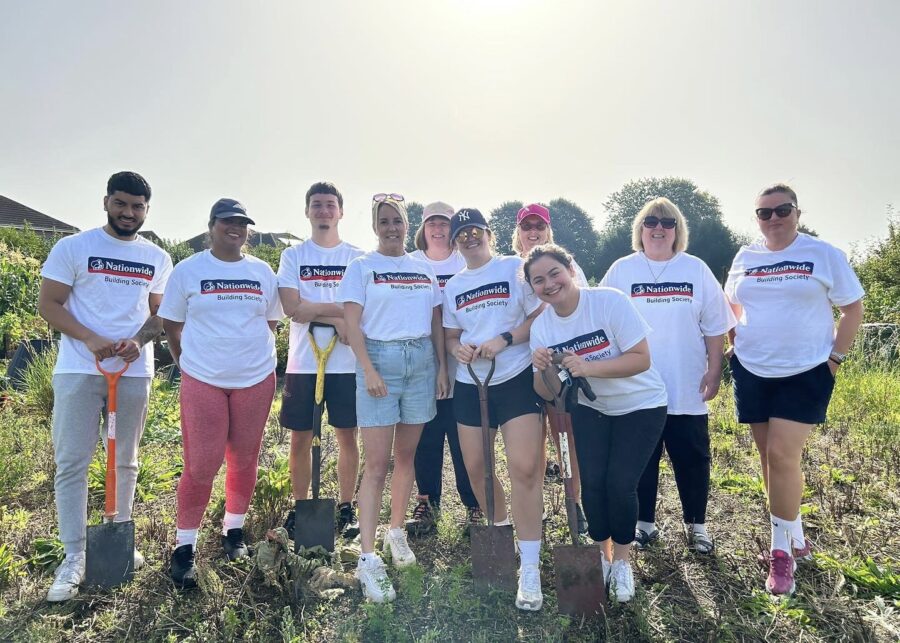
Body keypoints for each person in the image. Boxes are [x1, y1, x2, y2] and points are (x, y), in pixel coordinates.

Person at [38, 171, 173, 602]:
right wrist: (90, 339)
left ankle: (118, 537)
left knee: (126, 461)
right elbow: (48, 304)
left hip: (132, 373)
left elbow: (160, 316)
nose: (128, 213)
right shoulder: (74, 247)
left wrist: (139, 340)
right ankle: (75, 554)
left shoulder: (157, 257)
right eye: (121, 204)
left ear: (146, 210)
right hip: (79, 369)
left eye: (137, 206)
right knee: (73, 462)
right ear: (106, 202)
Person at [725, 184, 864, 595]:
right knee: (769, 458)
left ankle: (780, 552)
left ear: (797, 212)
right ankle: (794, 529)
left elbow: (852, 307)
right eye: (764, 213)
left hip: (805, 370)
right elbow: (729, 303)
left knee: (784, 454)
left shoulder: (823, 254)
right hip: (752, 368)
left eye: (781, 210)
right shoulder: (745, 256)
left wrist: (835, 358)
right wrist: (735, 343)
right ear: (756, 219)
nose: (773, 219)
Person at [527, 244, 667, 603]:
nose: (549, 284)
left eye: (554, 273)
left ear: (570, 269)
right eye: (538, 280)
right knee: (592, 484)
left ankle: (622, 561)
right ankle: (601, 556)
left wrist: (588, 367)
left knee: (620, 483)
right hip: (591, 409)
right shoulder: (542, 326)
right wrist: (543, 367)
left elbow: (641, 359)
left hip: (641, 405)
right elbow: (545, 391)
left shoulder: (609, 301)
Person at [159, 198, 283, 588]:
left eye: (243, 223)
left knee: (245, 458)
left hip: (255, 378)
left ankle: (234, 530)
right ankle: (185, 546)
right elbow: (171, 325)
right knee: (201, 465)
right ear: (211, 226)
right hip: (204, 379)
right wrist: (190, 365)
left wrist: (246, 358)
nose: (236, 228)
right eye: (228, 221)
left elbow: (271, 323)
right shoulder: (188, 270)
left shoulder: (262, 271)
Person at [601, 197, 735, 554]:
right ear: (639, 229)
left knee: (691, 457)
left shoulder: (695, 270)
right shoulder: (621, 271)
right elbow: (603, 322)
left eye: (667, 222)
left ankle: (697, 526)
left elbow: (715, 326)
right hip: (637, 388)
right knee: (641, 460)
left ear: (678, 230)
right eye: (650, 221)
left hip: (685, 384)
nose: (658, 227)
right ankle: (645, 525)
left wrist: (714, 367)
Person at [336, 193, 448, 603]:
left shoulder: (422, 266)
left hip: (420, 360)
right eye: (383, 221)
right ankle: (368, 557)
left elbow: (436, 319)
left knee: (407, 458)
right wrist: (368, 369)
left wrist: (440, 366)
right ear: (374, 226)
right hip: (380, 360)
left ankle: (396, 533)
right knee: (377, 464)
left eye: (397, 221)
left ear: (407, 224)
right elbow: (352, 324)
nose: (391, 228)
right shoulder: (362, 267)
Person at [442, 208, 546, 611]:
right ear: (454, 243)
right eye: (460, 233)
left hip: (516, 379)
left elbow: (539, 313)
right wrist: (458, 349)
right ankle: (501, 538)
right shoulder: (453, 286)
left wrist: (505, 338)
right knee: (477, 470)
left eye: (474, 230)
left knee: (523, 469)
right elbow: (451, 335)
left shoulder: (513, 268)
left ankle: (531, 565)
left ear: (488, 233)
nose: (469, 238)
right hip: (472, 384)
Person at [277, 182, 364, 540]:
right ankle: (301, 508)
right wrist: (341, 317)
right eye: (317, 205)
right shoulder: (293, 256)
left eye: (330, 205)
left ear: (341, 211)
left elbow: (363, 307)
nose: (324, 211)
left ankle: (346, 507)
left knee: (347, 437)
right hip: (303, 363)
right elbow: (291, 308)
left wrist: (320, 310)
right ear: (307, 211)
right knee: (300, 440)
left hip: (346, 365)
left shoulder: (356, 257)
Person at [406, 201, 481, 535]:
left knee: (464, 435)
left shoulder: (466, 261)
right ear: (423, 228)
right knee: (426, 435)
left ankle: (475, 503)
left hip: (465, 364)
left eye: (445, 224)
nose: (438, 229)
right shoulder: (411, 264)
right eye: (432, 223)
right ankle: (426, 502)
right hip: (421, 363)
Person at [514, 203, 588, 533]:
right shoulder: (510, 271)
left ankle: (575, 503)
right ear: (518, 232)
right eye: (527, 226)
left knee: (566, 437)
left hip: (557, 363)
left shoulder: (567, 266)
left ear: (548, 231)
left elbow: (578, 310)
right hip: (519, 366)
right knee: (532, 443)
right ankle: (536, 505)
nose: (533, 231)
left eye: (539, 226)